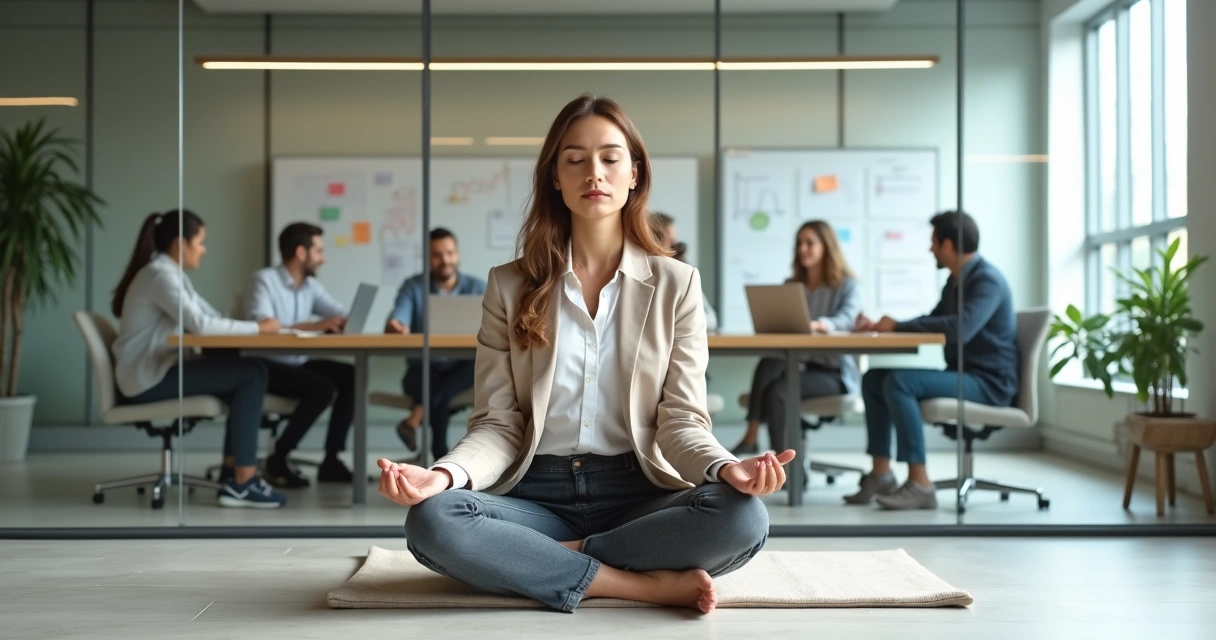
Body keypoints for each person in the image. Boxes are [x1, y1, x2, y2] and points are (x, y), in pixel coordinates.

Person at [375, 94, 787, 614]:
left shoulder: (676, 284)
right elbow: (498, 425)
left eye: (611, 158)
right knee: (433, 519)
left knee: (743, 518)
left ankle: (548, 562)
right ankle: (637, 583)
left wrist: (728, 469)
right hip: (536, 494)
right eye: (575, 159)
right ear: (555, 176)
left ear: (634, 173)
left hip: (639, 493)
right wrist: (442, 476)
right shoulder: (509, 285)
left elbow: (681, 421)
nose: (594, 172)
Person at [110, 210, 287, 508]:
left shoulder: (170, 275)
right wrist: (258, 328)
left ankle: (234, 473)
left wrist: (255, 326)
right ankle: (242, 482)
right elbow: (201, 326)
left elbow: (209, 317)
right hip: (146, 379)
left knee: (252, 370)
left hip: (156, 370)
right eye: (200, 242)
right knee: (252, 374)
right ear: (181, 244)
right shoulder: (160, 276)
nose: (203, 249)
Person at [850, 210, 1018, 510]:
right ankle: (881, 473)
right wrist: (885, 325)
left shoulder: (986, 280)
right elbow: (935, 319)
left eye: (934, 242)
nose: (930, 249)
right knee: (874, 378)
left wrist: (898, 326)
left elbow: (961, 328)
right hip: (963, 374)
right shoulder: (955, 282)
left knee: (900, 382)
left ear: (949, 245)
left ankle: (920, 484)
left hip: (990, 383)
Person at [731, 220, 861, 456]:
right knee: (770, 362)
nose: (803, 249)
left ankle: (780, 461)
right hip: (796, 365)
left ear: (826, 247)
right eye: (800, 243)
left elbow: (848, 318)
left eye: (810, 243)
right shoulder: (792, 285)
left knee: (779, 392)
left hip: (832, 373)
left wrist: (822, 324)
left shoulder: (846, 285)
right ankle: (768, 452)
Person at [241, 222, 356, 487]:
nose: (323, 258)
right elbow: (263, 326)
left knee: (351, 375)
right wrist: (315, 326)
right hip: (263, 365)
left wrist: (342, 321)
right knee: (322, 388)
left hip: (296, 362)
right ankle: (278, 458)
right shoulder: (263, 280)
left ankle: (331, 460)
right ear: (301, 252)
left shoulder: (309, 286)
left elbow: (340, 313)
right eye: (319, 251)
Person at [385, 228, 487, 460]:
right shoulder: (413, 286)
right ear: (427, 257)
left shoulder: (478, 287)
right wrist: (396, 325)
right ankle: (441, 452)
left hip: (463, 368)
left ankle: (416, 422)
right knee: (434, 385)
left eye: (450, 253)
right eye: (437, 255)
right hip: (422, 368)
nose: (445, 260)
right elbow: (399, 315)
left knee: (448, 382)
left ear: (457, 254)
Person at [648, 212, 717, 333]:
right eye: (670, 242)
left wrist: (684, 266)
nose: (674, 248)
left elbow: (709, 319)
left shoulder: (682, 274)